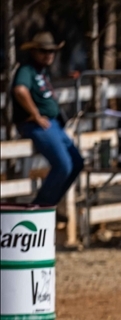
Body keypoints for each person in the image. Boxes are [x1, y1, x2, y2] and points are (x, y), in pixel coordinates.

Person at [11, 31, 84, 214]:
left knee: (76, 162)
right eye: (44, 51)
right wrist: (35, 114)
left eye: (51, 52)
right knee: (63, 164)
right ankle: (40, 208)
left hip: (53, 124)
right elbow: (20, 90)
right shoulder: (26, 70)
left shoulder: (42, 72)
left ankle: (51, 204)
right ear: (34, 52)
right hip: (38, 124)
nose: (49, 55)